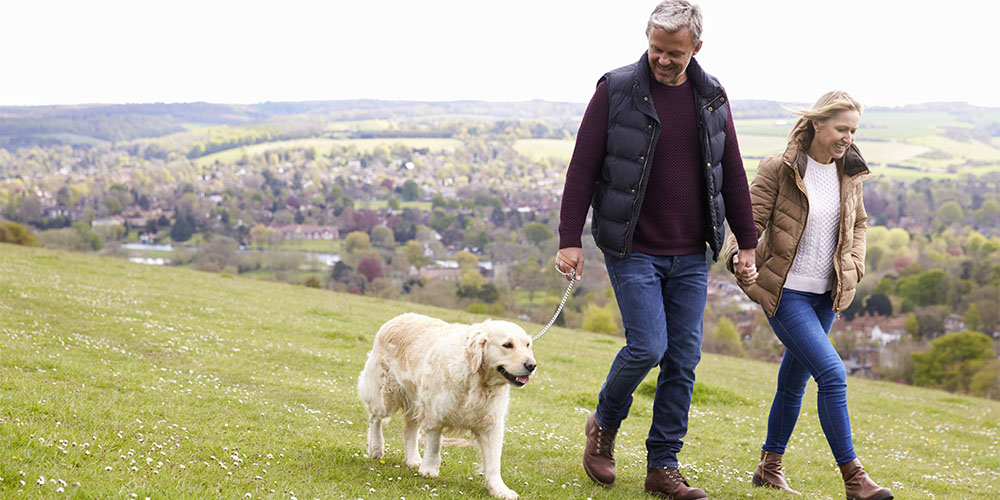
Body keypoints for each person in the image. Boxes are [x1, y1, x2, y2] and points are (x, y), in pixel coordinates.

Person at [555, 1, 758, 497]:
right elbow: (583, 166)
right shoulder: (616, 88)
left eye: (674, 53)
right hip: (632, 245)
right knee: (648, 345)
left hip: (691, 251)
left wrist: (747, 244)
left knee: (684, 358)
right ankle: (603, 425)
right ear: (646, 39)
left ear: (697, 48)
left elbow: (731, 171)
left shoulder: (711, 96)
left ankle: (662, 465)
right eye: (656, 49)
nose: (663, 60)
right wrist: (569, 239)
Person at [722, 90, 893, 500]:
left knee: (793, 381)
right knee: (832, 374)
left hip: (825, 295)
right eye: (841, 128)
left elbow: (860, 224)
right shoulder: (778, 168)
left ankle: (769, 467)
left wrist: (854, 265)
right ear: (818, 124)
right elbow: (749, 220)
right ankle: (855, 479)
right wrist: (736, 258)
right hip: (787, 293)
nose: (848, 137)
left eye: (853, 130)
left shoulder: (849, 173)